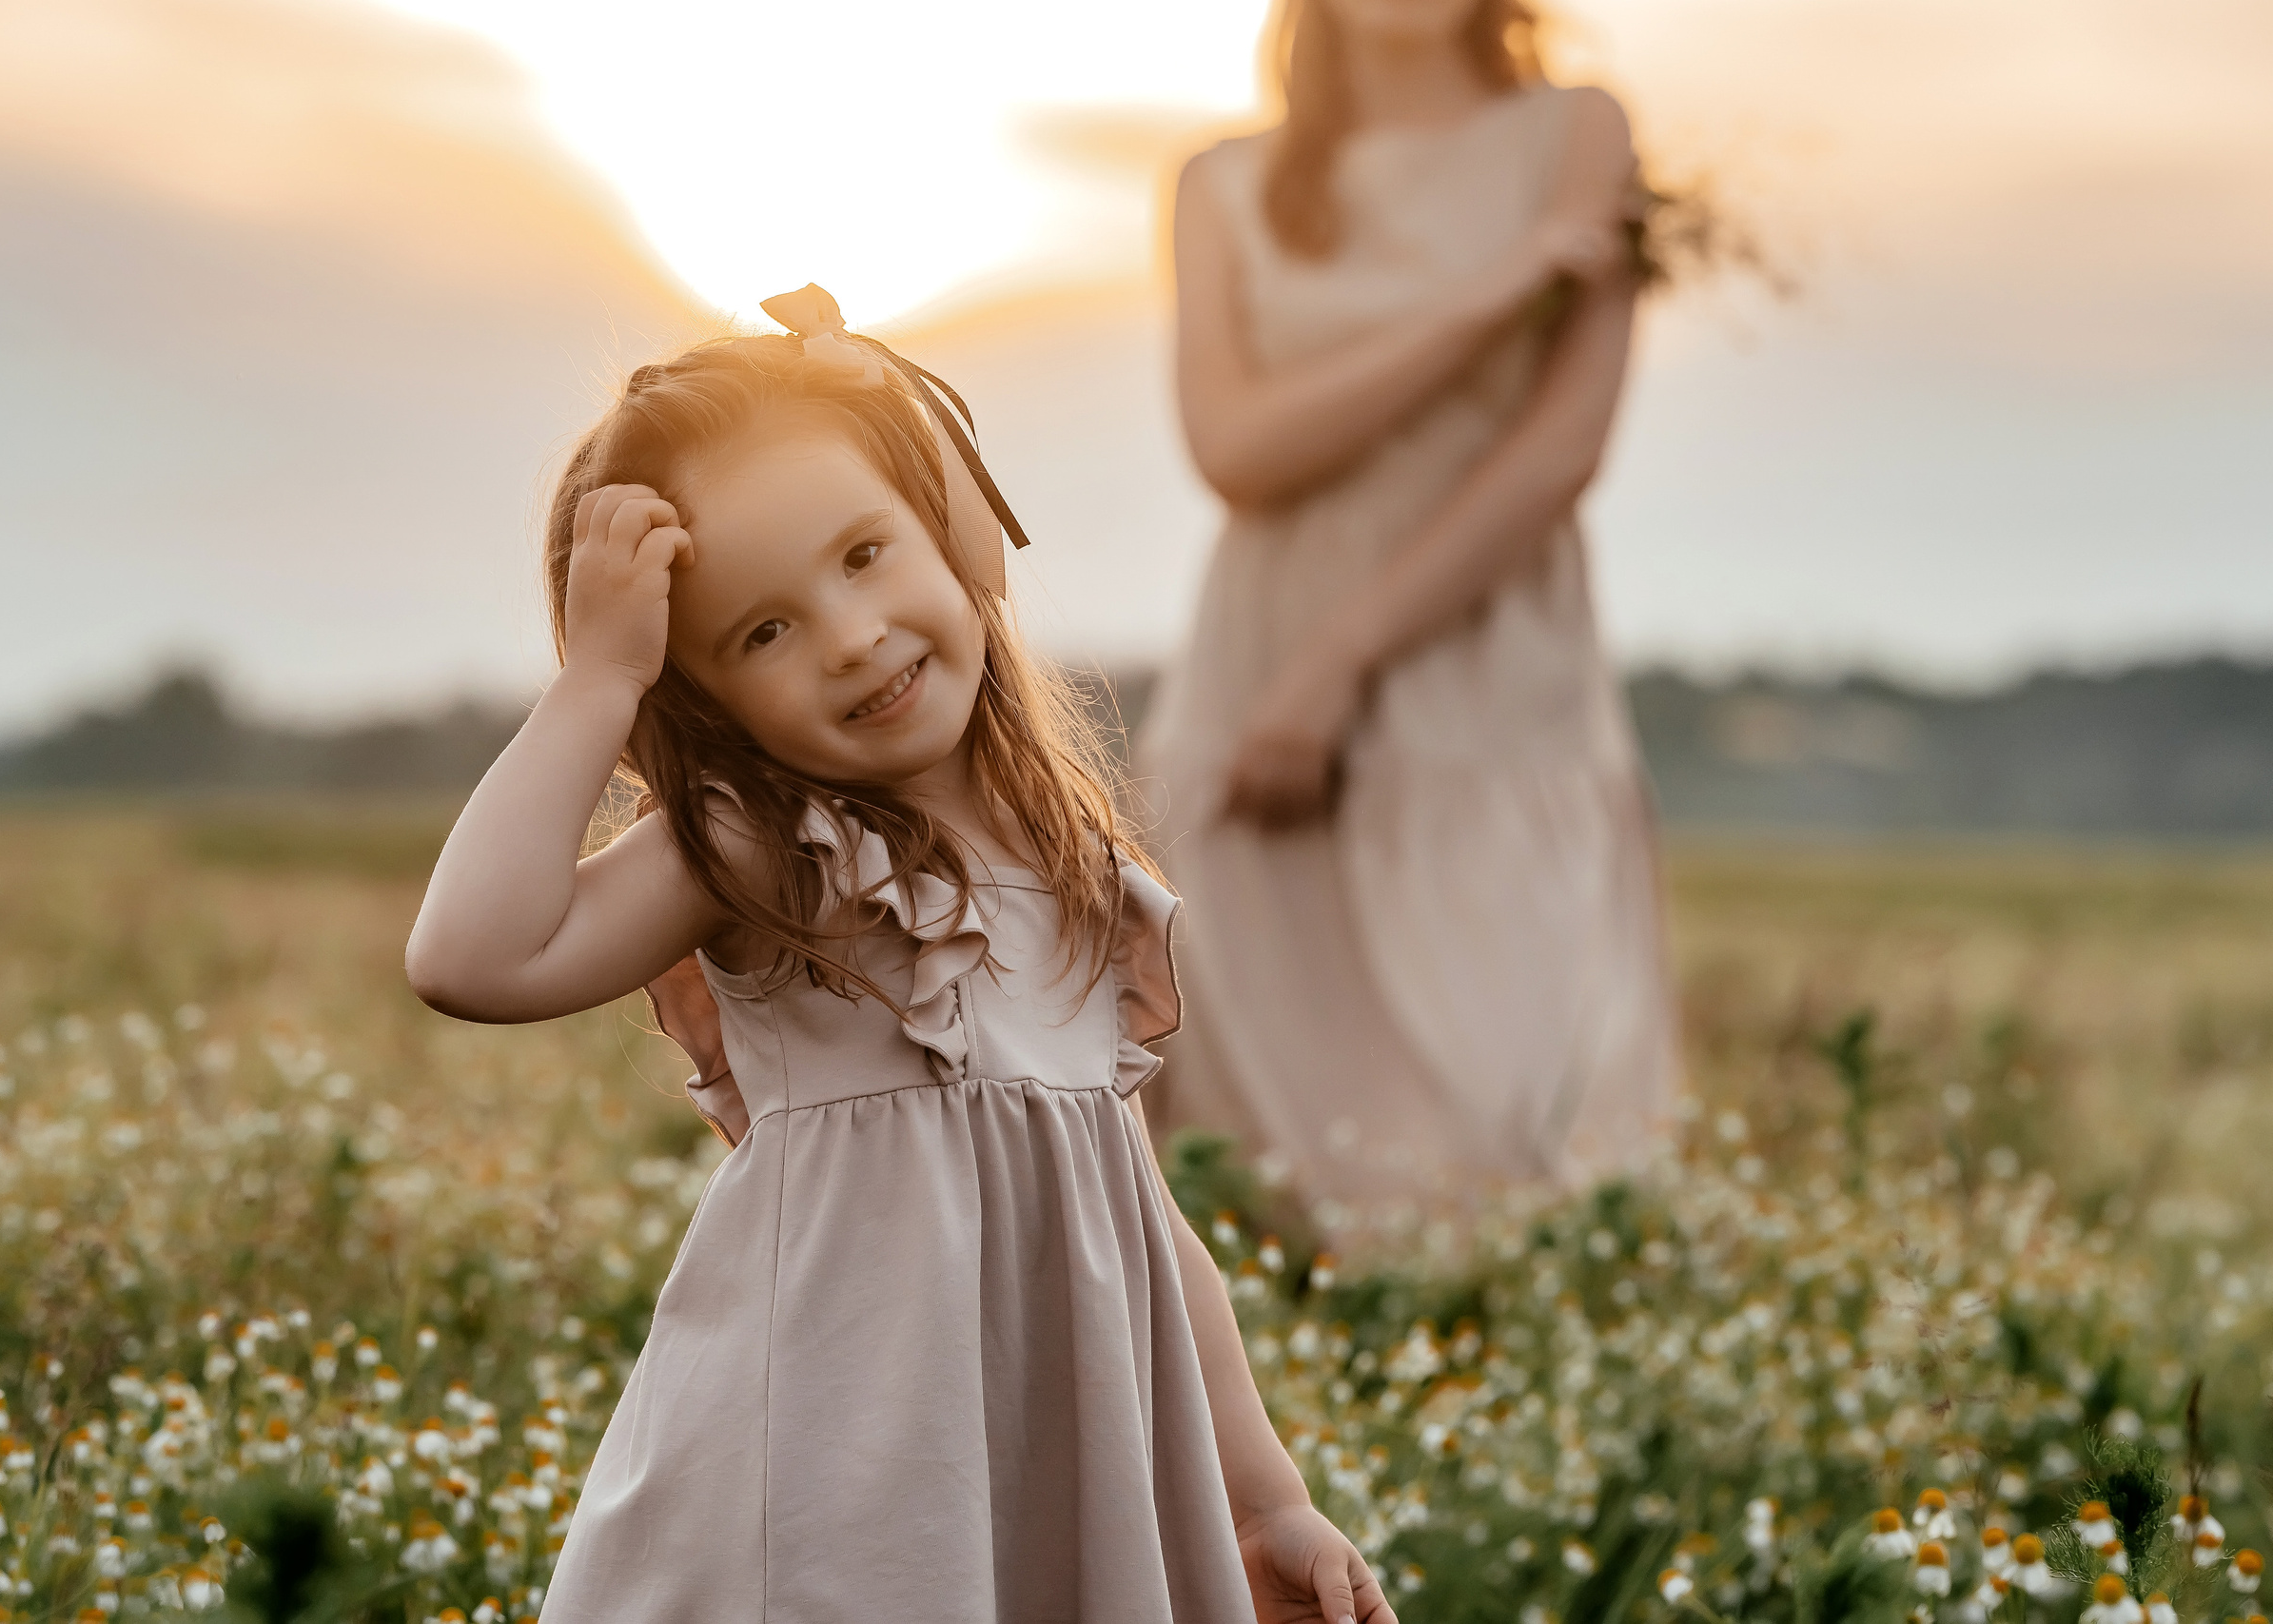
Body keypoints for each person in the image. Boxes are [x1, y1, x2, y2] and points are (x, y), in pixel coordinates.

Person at [404, 288, 1396, 1624]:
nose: (853, 634)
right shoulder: (766, 845)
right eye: (764, 631)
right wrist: (594, 684)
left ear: (954, 532)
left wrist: (1263, 1497)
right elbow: (470, 956)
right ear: (699, 698)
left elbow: (1147, 1230)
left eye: (866, 554)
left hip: (1039, 1477)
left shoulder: (1075, 875)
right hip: (833, 1489)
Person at [1140, 0, 1679, 1246]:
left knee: (1505, 1130)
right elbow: (1236, 448)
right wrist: (1497, 290)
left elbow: (1558, 456)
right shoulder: (1221, 182)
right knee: (1264, 1144)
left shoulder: (1580, 136)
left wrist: (1343, 662)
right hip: (1254, 664)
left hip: (1488, 672)